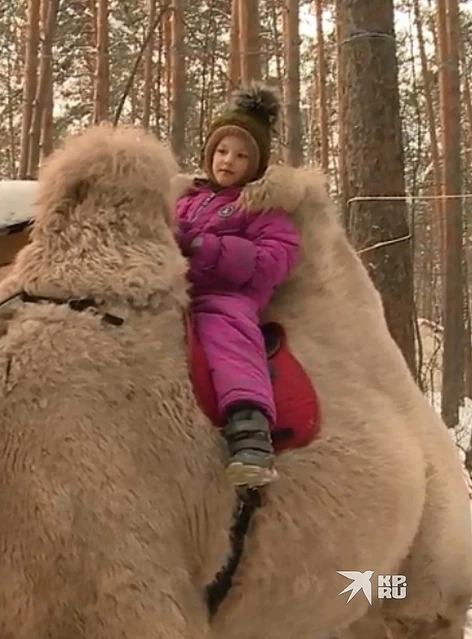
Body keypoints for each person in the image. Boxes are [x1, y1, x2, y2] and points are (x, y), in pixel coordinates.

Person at [174, 83, 301, 488]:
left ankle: (250, 431)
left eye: (242, 155)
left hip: (223, 297)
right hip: (172, 289)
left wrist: (203, 246)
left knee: (226, 331)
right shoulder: (185, 199)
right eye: (222, 151)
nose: (229, 161)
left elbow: (271, 261)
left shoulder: (261, 208)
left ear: (256, 164)